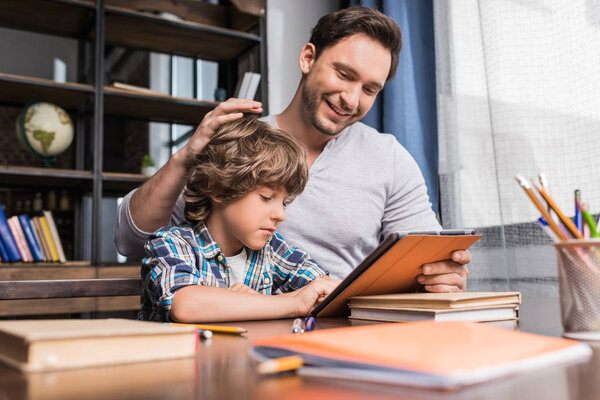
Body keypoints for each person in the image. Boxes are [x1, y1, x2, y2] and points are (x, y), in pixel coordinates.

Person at [115, 6, 471, 292]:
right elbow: (130, 241)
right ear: (308, 58)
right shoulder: (238, 143)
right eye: (344, 74)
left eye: (369, 89)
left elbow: (423, 256)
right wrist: (184, 160)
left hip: (344, 336)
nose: (351, 99)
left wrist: (441, 274)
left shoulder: (388, 156)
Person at [139, 118, 338, 322]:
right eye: (266, 197)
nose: (281, 215)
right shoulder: (171, 242)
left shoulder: (273, 249)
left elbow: (327, 291)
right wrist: (293, 303)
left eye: (283, 203)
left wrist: (259, 303)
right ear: (219, 188)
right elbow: (186, 306)